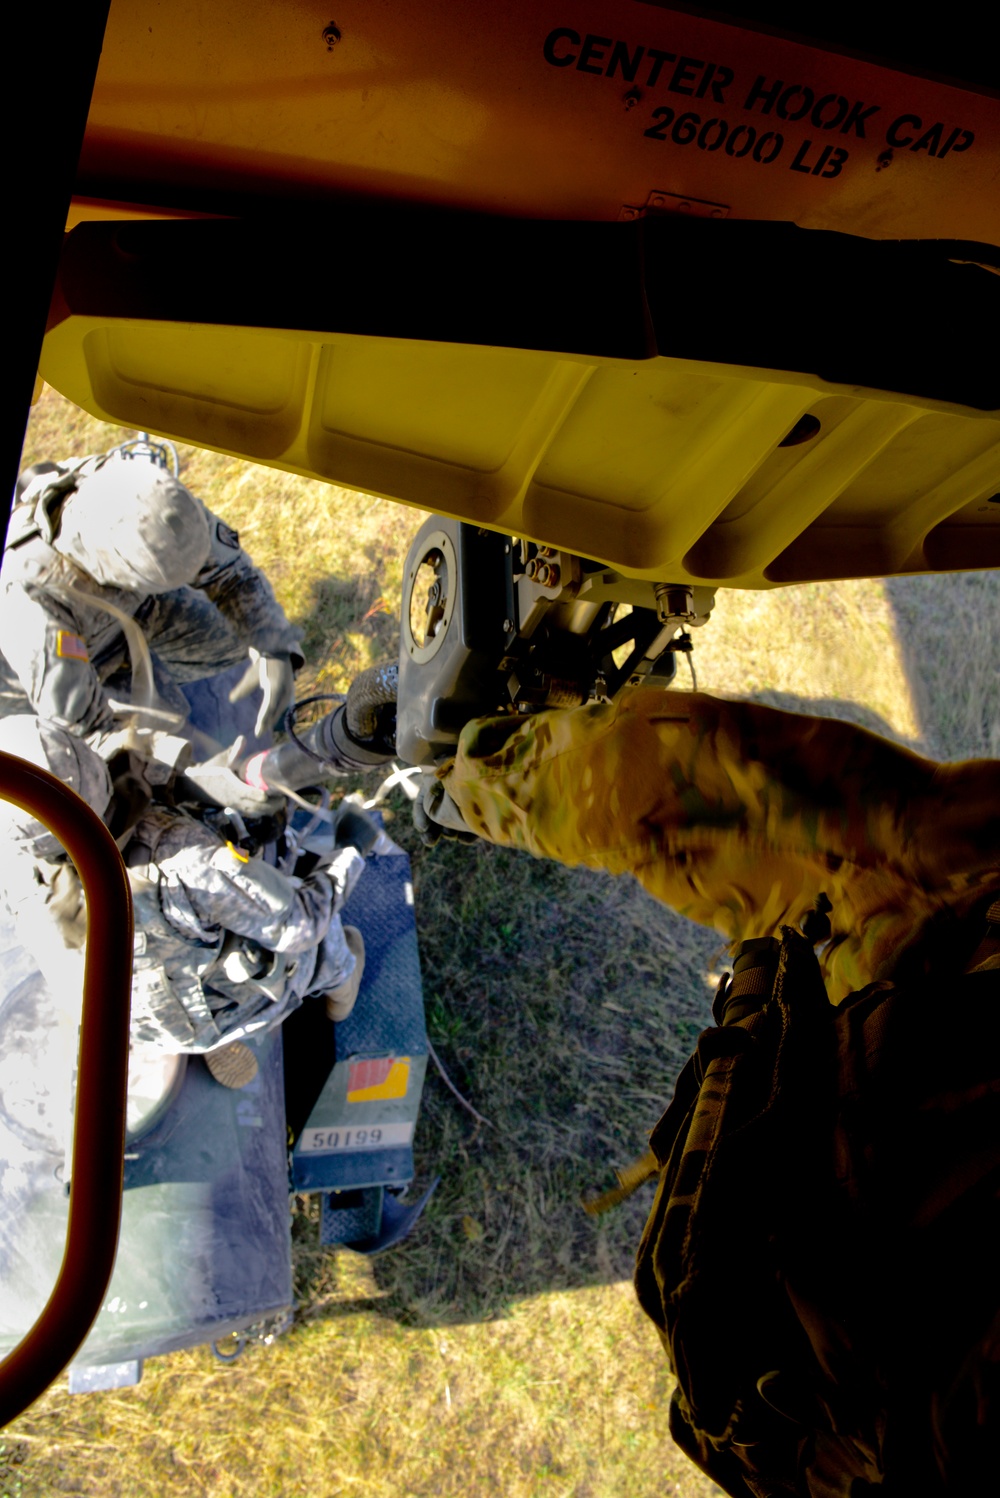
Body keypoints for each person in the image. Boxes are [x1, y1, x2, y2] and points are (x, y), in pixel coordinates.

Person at [413, 686, 1000, 1494]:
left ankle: (447, 788)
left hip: (878, 1044)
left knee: (645, 775)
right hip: (925, 960)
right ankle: (452, 788)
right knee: (647, 771)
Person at [0, 715, 374, 1096]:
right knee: (322, 939)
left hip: (120, 1020)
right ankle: (338, 990)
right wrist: (351, 849)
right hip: (200, 1013)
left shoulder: (15, 856)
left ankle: (196, 1015)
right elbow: (300, 922)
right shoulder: (181, 857)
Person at [0, 448, 303, 749]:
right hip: (77, 662)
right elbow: (89, 732)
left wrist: (273, 644)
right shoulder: (30, 597)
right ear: (121, 570)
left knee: (234, 643)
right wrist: (176, 769)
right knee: (165, 744)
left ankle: (241, 708)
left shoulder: (148, 494)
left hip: (140, 609)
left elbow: (231, 575)